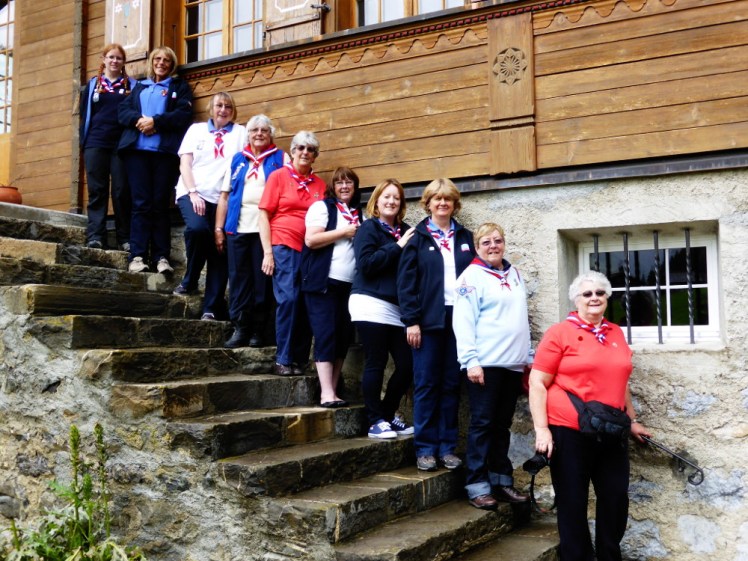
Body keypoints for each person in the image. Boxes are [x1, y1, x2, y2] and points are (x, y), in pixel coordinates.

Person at [528, 271, 652, 561]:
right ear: (576, 299)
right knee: (573, 502)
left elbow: (621, 382)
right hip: (569, 429)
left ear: (608, 298)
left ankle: (610, 556)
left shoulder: (615, 333)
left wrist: (632, 421)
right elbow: (537, 382)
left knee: (615, 498)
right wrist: (541, 429)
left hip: (612, 430)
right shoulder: (559, 333)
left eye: (600, 293)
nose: (594, 298)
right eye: (587, 294)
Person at [453, 223, 532, 510]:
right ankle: (477, 486)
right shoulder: (470, 277)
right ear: (477, 247)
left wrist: (528, 357)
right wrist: (470, 361)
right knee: (482, 425)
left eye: (498, 240)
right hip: (484, 364)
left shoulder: (515, 274)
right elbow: (462, 323)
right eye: (486, 242)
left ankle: (501, 482)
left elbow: (520, 318)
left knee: (502, 427)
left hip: (512, 365)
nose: (493, 246)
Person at [398, 178, 474, 471]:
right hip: (427, 321)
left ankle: (447, 447)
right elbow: (406, 283)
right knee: (427, 384)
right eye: (437, 199)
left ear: (455, 204)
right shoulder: (416, 237)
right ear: (427, 203)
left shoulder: (466, 237)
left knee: (451, 384)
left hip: (459, 320)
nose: (442, 204)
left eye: (448, 199)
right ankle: (426, 448)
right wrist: (411, 321)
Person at [118, 46, 193, 274]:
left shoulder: (178, 87)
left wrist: (156, 122)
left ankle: (162, 257)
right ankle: (138, 256)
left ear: (172, 64)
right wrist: (141, 120)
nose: (161, 63)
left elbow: (182, 114)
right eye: (157, 59)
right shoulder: (140, 86)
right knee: (140, 203)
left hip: (164, 154)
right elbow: (122, 112)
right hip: (137, 153)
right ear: (151, 62)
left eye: (167, 60)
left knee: (160, 204)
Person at [350, 179, 416, 438]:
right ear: (376, 201)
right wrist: (397, 247)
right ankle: (374, 420)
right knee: (376, 362)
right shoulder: (368, 229)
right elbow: (366, 264)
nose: (391, 201)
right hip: (369, 302)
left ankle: (387, 415)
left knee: (407, 365)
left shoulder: (407, 231)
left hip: (397, 309)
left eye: (396, 198)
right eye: (386, 197)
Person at [172, 92, 246, 321]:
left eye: (227, 106)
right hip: (192, 191)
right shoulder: (196, 130)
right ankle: (191, 279)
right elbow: (185, 164)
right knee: (197, 229)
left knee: (219, 252)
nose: (223, 110)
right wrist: (193, 192)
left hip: (223, 198)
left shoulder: (241, 134)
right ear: (210, 109)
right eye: (218, 106)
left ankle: (211, 308)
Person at [216, 114, 288, 347]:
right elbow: (224, 196)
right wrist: (219, 227)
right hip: (237, 228)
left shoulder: (281, 158)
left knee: (261, 281)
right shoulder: (238, 159)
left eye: (264, 130)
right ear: (248, 134)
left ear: (271, 135)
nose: (258, 134)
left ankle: (259, 330)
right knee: (238, 280)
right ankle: (240, 328)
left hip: (265, 231)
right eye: (254, 130)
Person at [258, 131, 325, 376]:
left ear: (315, 156)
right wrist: (267, 252)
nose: (305, 153)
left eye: (310, 150)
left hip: (310, 250)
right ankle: (282, 359)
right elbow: (263, 214)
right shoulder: (278, 176)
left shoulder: (319, 185)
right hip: (283, 245)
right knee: (288, 299)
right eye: (300, 148)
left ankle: (298, 359)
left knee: (305, 302)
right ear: (293, 151)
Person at [301, 167, 361, 407]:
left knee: (342, 337)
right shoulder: (322, 207)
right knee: (326, 334)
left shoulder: (358, 213)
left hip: (349, 286)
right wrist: (343, 232)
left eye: (349, 183)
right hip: (322, 282)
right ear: (333, 187)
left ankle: (333, 391)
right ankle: (326, 393)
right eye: (340, 183)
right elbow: (311, 240)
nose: (344, 186)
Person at [80, 43, 136, 251]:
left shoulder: (132, 86)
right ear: (103, 59)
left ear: (123, 62)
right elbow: (85, 114)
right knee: (97, 190)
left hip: (121, 145)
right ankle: (96, 236)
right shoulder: (94, 84)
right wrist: (83, 140)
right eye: (111, 57)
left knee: (122, 191)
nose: (114, 61)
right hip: (96, 142)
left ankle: (125, 238)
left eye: (119, 58)